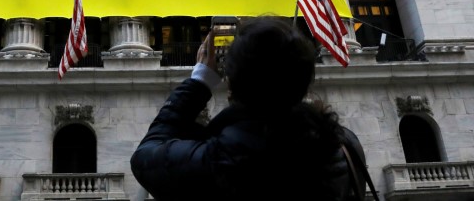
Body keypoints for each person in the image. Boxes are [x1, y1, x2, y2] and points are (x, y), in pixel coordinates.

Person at [131, 17, 367, 201]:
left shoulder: (222, 159)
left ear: (232, 84)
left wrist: (200, 81)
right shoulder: (345, 145)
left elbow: (146, 155)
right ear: (304, 77)